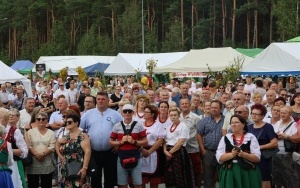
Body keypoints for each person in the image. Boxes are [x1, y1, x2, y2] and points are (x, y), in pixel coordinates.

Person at [80, 91, 123, 188]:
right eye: (98, 99)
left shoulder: (116, 114)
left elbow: (123, 130)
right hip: (93, 152)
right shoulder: (87, 115)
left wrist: (118, 143)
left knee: (110, 178)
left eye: (103, 99)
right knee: (95, 178)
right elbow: (81, 131)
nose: (100, 101)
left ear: (108, 101)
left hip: (111, 151)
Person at [216, 114, 262, 188]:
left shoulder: (250, 137)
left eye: (236, 122)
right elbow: (219, 157)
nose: (233, 125)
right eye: (232, 123)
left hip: (247, 171)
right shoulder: (225, 138)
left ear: (243, 124)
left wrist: (244, 154)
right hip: (230, 171)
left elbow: (257, 158)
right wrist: (232, 154)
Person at [109, 104, 148, 188]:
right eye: (125, 111)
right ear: (122, 113)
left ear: (133, 113)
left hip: (135, 157)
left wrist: (134, 141)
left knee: (137, 183)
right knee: (122, 184)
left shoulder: (139, 125)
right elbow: (111, 142)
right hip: (121, 157)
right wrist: (121, 142)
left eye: (129, 111)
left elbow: (145, 142)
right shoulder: (117, 126)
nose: (127, 113)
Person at [163, 107, 196, 187]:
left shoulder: (183, 126)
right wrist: (165, 151)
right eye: (171, 115)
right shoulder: (168, 127)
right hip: (168, 151)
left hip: (178, 152)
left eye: (175, 115)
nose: (173, 117)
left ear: (179, 116)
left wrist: (170, 153)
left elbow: (180, 142)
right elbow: (164, 141)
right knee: (170, 174)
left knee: (180, 175)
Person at [57, 113, 91, 187]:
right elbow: (56, 145)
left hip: (78, 169)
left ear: (76, 123)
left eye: (69, 122)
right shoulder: (66, 136)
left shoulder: (82, 136)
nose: (67, 124)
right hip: (66, 170)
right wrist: (60, 156)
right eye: (66, 122)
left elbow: (87, 152)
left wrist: (85, 168)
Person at [248, 104, 278, 188]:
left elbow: (274, 143)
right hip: (251, 157)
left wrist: (260, 147)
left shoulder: (267, 127)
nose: (254, 116)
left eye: (256, 114)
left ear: (262, 116)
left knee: (264, 180)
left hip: (264, 158)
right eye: (252, 113)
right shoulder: (249, 127)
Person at [197, 100, 225, 188]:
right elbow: (199, 135)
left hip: (223, 153)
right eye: (212, 107)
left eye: (215, 108)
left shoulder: (227, 120)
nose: (213, 109)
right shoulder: (204, 121)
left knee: (223, 176)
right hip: (208, 152)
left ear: (221, 109)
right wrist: (203, 150)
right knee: (208, 177)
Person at [26, 112, 56, 188]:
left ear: (47, 120)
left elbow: (52, 146)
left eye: (43, 119)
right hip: (33, 162)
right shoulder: (30, 132)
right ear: (35, 120)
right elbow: (28, 145)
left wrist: (43, 154)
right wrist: (36, 154)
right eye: (38, 119)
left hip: (47, 162)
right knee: (32, 184)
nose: (40, 121)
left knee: (46, 184)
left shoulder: (51, 133)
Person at [272, 106, 299, 187]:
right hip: (275, 152)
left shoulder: (294, 124)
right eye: (281, 112)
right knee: (277, 176)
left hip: (287, 153)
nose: (282, 114)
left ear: (290, 114)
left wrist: (286, 136)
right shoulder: (277, 123)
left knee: (289, 175)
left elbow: (297, 138)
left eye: (285, 113)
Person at [140, 105, 166, 187]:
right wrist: (141, 149)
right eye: (144, 112)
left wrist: (149, 151)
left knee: (154, 180)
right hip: (141, 151)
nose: (145, 114)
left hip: (154, 152)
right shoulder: (140, 124)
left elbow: (160, 140)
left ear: (152, 114)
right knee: (141, 179)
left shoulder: (158, 125)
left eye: (147, 112)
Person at [180, 98, 202, 187]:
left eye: (186, 103)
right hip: (181, 149)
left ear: (190, 105)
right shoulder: (177, 117)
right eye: (182, 104)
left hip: (193, 148)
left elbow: (200, 133)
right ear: (180, 106)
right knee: (183, 171)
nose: (184, 105)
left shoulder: (196, 118)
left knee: (196, 171)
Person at [5, 108, 28, 188]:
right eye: (9, 115)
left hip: (14, 163)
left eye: (13, 115)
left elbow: (24, 151)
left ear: (18, 117)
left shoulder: (16, 131)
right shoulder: (3, 129)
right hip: (3, 164)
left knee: (16, 184)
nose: (10, 116)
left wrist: (8, 150)